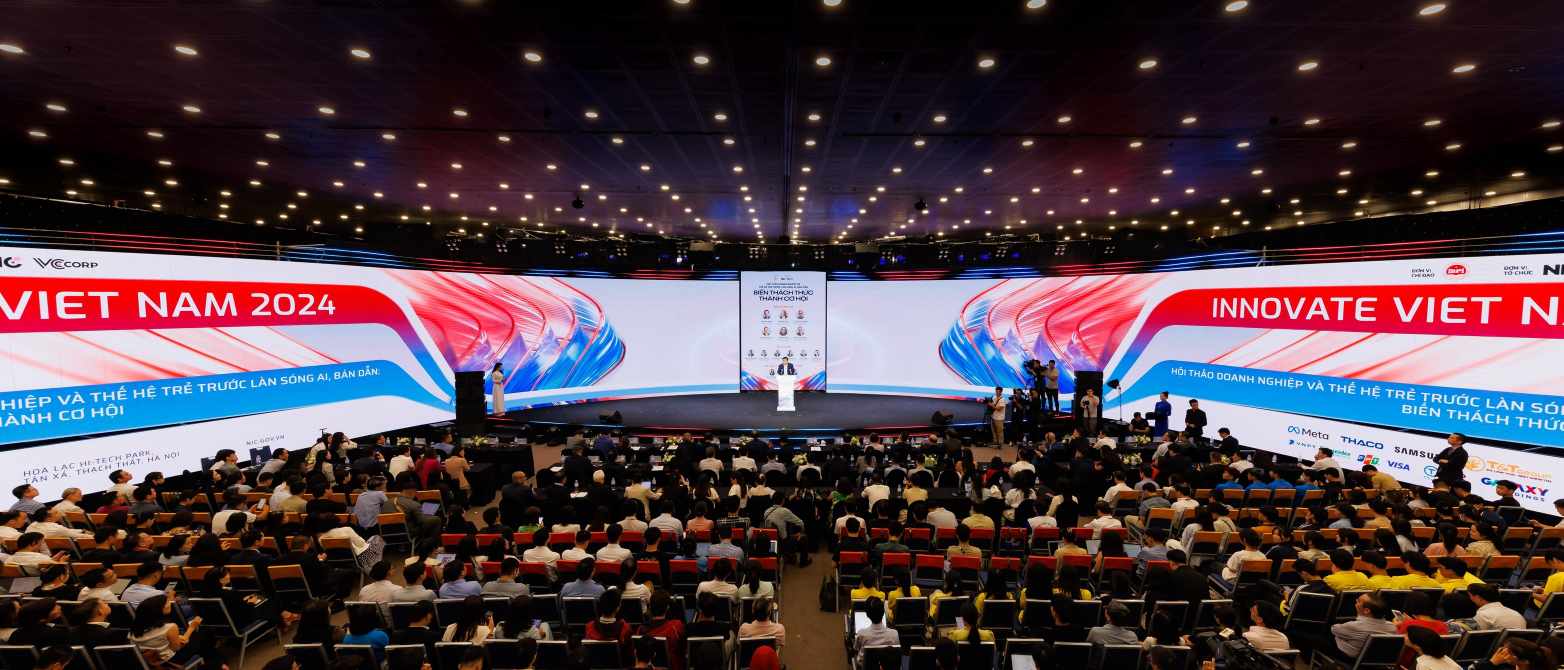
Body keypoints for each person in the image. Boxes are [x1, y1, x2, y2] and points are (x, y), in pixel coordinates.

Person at [129, 594, 206, 667]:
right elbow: (177, 648)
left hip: (146, 661)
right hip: (168, 661)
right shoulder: (170, 627)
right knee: (200, 633)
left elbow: (155, 640)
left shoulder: (133, 630)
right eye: (167, 602)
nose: (170, 603)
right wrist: (192, 627)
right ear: (160, 609)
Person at [1330, 594, 1397, 659]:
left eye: (1358, 601)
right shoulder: (1392, 627)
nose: (1356, 601)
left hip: (1349, 659)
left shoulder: (1354, 626)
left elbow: (1334, 629)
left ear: (1366, 610)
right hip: (1377, 660)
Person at [853, 596, 899, 666]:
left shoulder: (861, 633)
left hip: (865, 666)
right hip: (886, 666)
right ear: (883, 613)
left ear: (867, 614)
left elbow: (856, 648)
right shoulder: (894, 634)